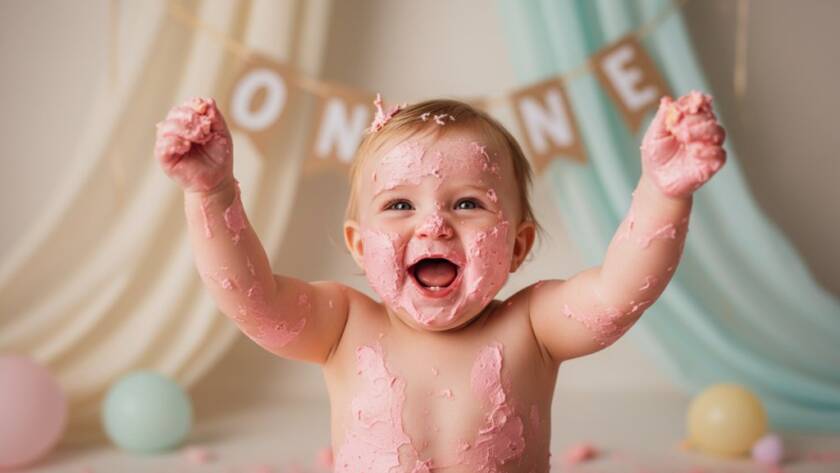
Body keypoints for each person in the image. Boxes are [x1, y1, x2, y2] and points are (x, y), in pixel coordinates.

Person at [154, 91, 725, 472]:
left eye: (469, 203)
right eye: (399, 203)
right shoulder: (344, 326)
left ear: (518, 246)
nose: (433, 224)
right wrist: (212, 193)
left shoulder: (532, 326)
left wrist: (664, 194)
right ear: (358, 244)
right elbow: (249, 297)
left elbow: (617, 296)